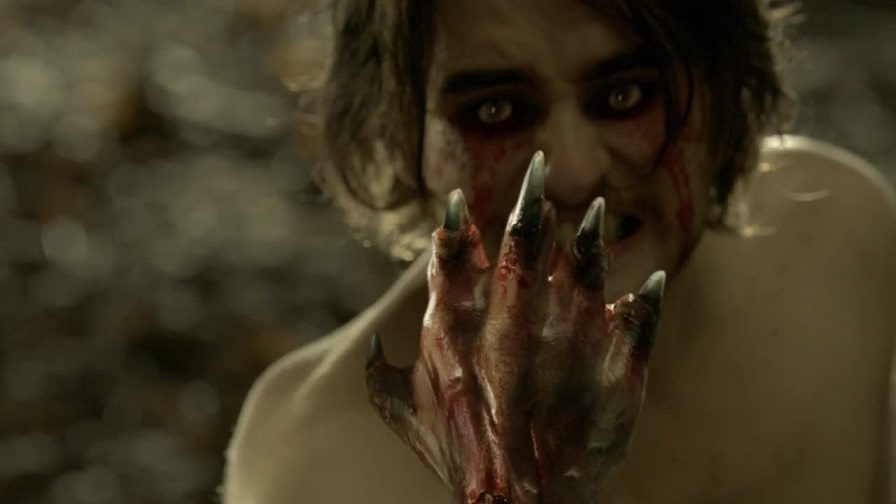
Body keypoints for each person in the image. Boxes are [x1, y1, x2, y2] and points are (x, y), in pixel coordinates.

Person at [222, 0, 896, 502]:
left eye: (625, 95)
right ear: (401, 133)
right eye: (496, 111)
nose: (572, 172)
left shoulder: (838, 248)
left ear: (723, 83)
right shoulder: (318, 461)